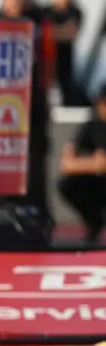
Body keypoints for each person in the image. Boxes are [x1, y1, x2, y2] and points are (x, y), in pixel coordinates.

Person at [0, 0, 55, 216]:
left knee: (35, 156)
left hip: (33, 100)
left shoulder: (40, 24)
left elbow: (49, 61)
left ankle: (38, 207)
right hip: (2, 102)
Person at [58, 83, 106, 244]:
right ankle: (94, 221)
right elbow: (67, 164)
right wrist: (94, 164)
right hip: (96, 184)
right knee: (68, 184)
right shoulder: (91, 127)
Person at [46, 0, 84, 106]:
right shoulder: (46, 11)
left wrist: (49, 32)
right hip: (47, 57)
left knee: (66, 87)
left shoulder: (74, 12)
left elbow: (70, 34)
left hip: (64, 58)